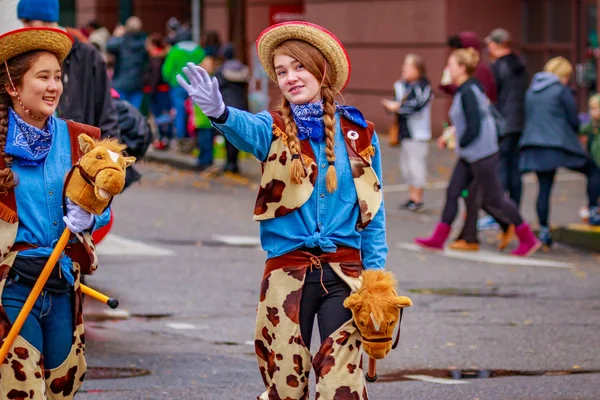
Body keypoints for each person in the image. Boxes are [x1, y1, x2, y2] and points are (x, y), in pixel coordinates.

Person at [178, 22, 387, 398]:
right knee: (285, 385)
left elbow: (374, 215)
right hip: (287, 275)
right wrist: (221, 112)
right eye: (281, 71)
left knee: (342, 385)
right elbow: (244, 129)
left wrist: (376, 282)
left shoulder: (361, 135)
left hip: (345, 272)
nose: (290, 78)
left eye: (299, 67)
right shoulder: (272, 129)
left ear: (321, 69)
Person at [0, 26, 110, 398]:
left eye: (58, 77)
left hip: (63, 284)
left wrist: (90, 216)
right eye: (42, 77)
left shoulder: (82, 139)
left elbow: (105, 207)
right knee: (22, 389)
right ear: (13, 87)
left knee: (62, 387)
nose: (54, 87)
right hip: (11, 288)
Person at [414, 48, 540, 257]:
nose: (448, 68)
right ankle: (438, 238)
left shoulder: (468, 91)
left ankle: (528, 238)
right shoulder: (469, 88)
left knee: (497, 198)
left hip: (481, 155)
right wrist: (455, 135)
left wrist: (460, 140)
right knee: (453, 191)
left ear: (462, 68)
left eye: (451, 65)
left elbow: (474, 125)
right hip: (472, 154)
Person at [520, 57, 600, 245]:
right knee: (593, 170)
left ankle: (544, 230)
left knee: (544, 188)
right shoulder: (560, 90)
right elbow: (572, 120)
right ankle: (594, 209)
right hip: (559, 145)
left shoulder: (531, 91)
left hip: (535, 145)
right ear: (562, 75)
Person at [17, 0, 120, 139]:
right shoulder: (27, 54)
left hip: (81, 149)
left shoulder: (87, 55)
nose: (25, 29)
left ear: (47, 21)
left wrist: (107, 153)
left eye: (28, 23)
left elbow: (106, 111)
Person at [382, 54, 433, 212]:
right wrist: (391, 106)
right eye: (405, 66)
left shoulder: (424, 87)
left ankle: (418, 199)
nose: (405, 70)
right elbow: (396, 102)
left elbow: (418, 107)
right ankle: (412, 197)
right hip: (404, 132)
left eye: (409, 67)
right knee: (406, 166)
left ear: (419, 70)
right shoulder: (401, 85)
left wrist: (397, 107)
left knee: (416, 165)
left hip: (418, 133)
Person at [486, 28, 528, 208]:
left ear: (495, 45)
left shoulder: (498, 67)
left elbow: (493, 96)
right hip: (519, 122)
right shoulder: (520, 64)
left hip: (503, 122)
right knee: (515, 168)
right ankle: (515, 208)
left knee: (502, 168)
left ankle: (502, 211)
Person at [161, 33, 205, 148]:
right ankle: (194, 136)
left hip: (178, 85)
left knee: (179, 109)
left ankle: (180, 136)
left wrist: (169, 79)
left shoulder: (175, 51)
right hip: (196, 84)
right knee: (195, 110)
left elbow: (167, 69)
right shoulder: (199, 51)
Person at [214, 43, 250, 173]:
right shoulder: (242, 69)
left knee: (227, 135)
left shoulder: (221, 71)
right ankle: (234, 163)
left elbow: (215, 88)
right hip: (241, 105)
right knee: (237, 134)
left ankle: (229, 163)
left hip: (227, 106)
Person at [106, 16, 149, 110]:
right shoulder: (143, 43)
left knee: (120, 112)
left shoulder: (121, 42)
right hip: (137, 83)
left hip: (121, 82)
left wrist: (116, 35)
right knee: (135, 113)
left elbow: (109, 46)